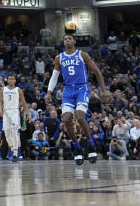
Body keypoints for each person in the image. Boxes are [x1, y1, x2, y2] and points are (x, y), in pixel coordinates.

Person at [46, 34, 109, 165]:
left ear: (74, 41)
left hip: (82, 88)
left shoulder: (83, 55)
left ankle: (91, 145)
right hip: (68, 90)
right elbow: (54, 77)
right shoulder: (59, 58)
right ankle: (77, 147)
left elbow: (97, 72)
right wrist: (49, 92)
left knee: (80, 116)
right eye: (65, 39)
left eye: (69, 38)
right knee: (65, 119)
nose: (67, 41)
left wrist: (104, 90)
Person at [0, 74, 27, 162]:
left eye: (13, 79)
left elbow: (24, 102)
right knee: (7, 134)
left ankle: (15, 153)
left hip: (15, 111)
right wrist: (0, 109)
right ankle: (12, 148)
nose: (11, 80)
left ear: (15, 81)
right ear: (7, 80)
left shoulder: (18, 90)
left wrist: (27, 114)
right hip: (6, 112)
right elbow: (1, 101)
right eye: (9, 79)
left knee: (15, 132)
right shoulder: (3, 89)